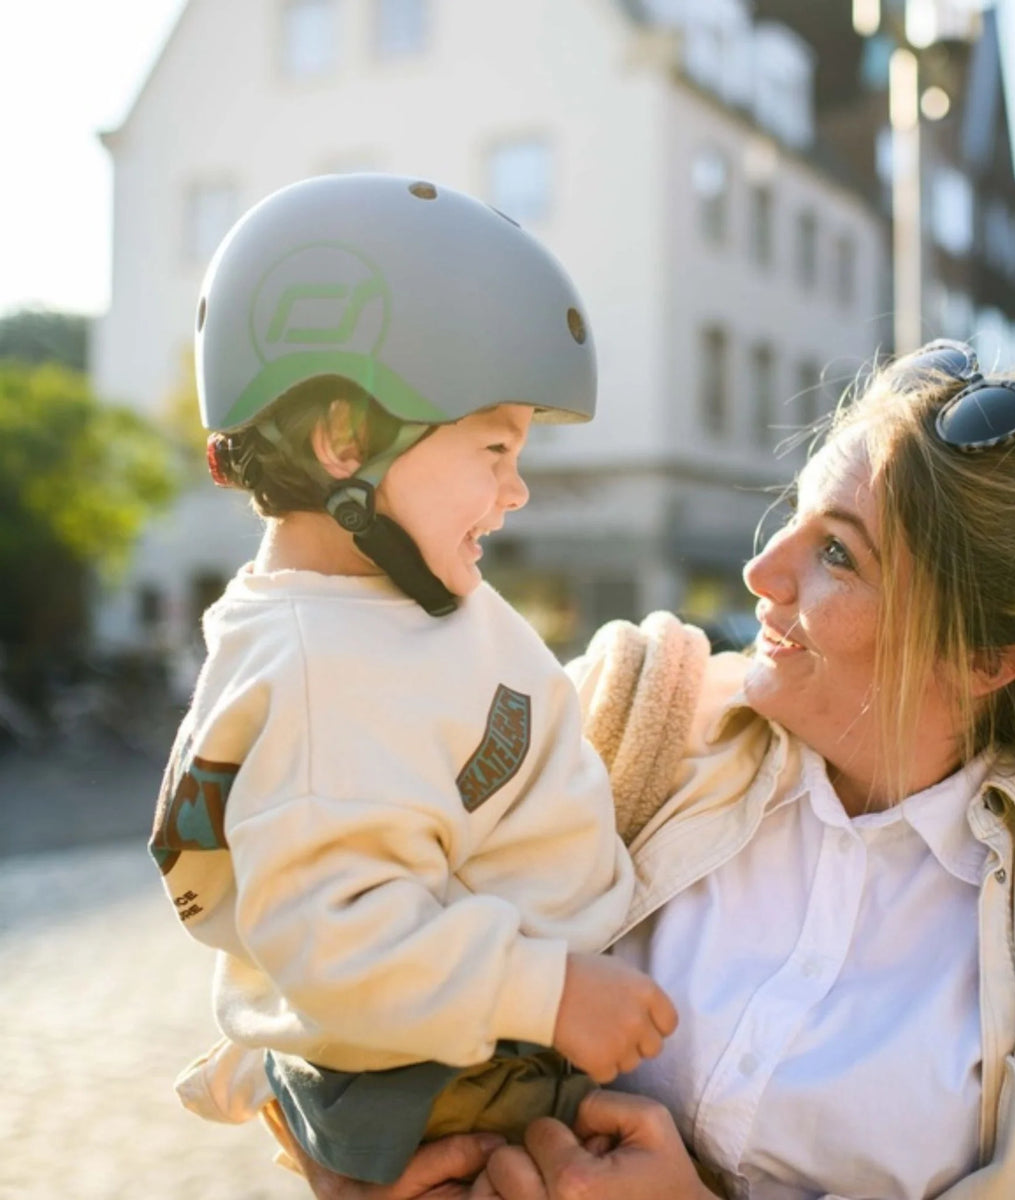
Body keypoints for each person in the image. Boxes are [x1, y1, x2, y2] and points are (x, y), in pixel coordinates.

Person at [292, 338, 1015, 1200]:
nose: (761, 570)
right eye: (794, 518)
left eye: (838, 552)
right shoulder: (626, 718)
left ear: (986, 659)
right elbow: (314, 898)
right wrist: (344, 1156)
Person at [147, 173, 680, 1188]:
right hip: (466, 1080)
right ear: (346, 440)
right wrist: (551, 991)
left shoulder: (380, 611)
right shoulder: (323, 673)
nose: (515, 489)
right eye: (492, 448)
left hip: (476, 1042)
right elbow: (337, 939)